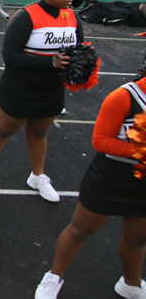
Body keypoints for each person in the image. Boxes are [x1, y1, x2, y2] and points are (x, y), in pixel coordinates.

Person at [34, 57, 146, 299]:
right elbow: (100, 141)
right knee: (80, 230)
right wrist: (141, 150)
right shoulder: (125, 97)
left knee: (138, 237)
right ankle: (54, 277)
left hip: (143, 183)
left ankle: (131, 284)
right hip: (111, 178)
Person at [0, 0, 82, 201]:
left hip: (52, 90)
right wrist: (50, 62)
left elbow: (79, 49)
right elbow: (10, 57)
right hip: (20, 88)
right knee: (2, 131)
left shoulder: (72, 16)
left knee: (39, 133)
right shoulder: (25, 16)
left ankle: (37, 176)